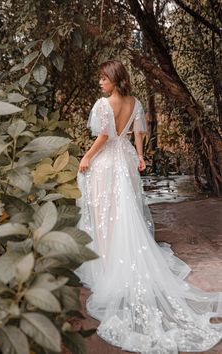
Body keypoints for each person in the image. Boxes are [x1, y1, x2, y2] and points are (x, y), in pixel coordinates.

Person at [75, 59, 222, 353]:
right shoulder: (135, 102)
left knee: (105, 214)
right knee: (123, 213)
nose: (100, 83)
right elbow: (139, 132)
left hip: (107, 164)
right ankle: (119, 255)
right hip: (127, 161)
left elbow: (103, 137)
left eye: (104, 78)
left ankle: (107, 264)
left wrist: (87, 157)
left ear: (115, 80)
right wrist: (140, 158)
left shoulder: (104, 105)